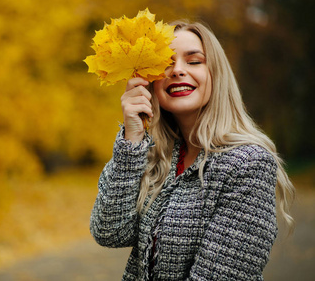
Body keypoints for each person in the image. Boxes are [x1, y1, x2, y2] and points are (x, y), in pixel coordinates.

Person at [89, 20, 295, 280]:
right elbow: (109, 233)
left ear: (215, 74)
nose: (177, 71)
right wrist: (132, 139)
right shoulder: (154, 156)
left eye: (194, 61)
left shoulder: (248, 164)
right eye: (166, 63)